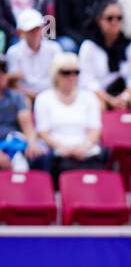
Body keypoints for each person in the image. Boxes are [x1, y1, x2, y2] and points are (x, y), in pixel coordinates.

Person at [33, 52, 109, 185]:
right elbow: (43, 132)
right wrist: (64, 148)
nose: (71, 77)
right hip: (58, 154)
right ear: (56, 74)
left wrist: (84, 147)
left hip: (86, 152)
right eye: (66, 72)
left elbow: (94, 129)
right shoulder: (43, 98)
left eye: (76, 72)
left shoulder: (89, 97)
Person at [78, 0, 131, 112]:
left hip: (124, 93)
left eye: (119, 18)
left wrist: (124, 98)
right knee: (98, 105)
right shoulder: (89, 46)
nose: (115, 22)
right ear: (99, 20)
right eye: (110, 18)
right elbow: (87, 81)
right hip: (98, 94)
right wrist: (109, 99)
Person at [5, 9, 60, 99]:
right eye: (30, 30)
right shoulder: (13, 52)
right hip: (26, 97)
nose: (35, 32)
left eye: (37, 28)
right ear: (20, 32)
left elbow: (60, 78)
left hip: (52, 96)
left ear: (42, 28)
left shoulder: (54, 49)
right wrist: (32, 96)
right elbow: (13, 85)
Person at [0, 55, 38, 169]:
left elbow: (27, 127)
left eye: (4, 69)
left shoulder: (17, 97)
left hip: (13, 144)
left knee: (37, 154)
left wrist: (32, 143)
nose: (1, 74)